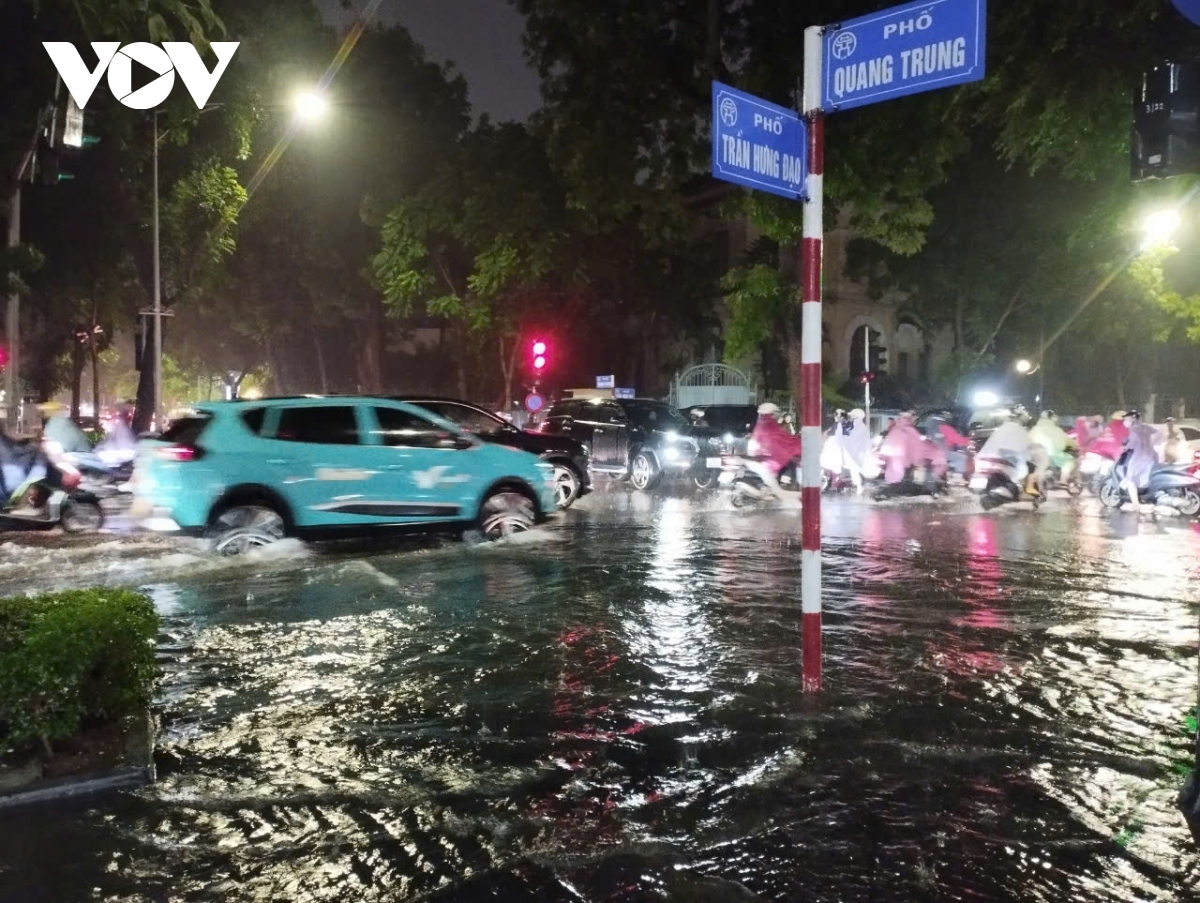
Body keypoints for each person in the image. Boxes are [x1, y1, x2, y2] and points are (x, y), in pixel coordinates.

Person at [749, 402, 801, 501]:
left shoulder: (760, 424)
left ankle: (780, 485)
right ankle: (785, 483)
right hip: (769, 457)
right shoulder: (771, 425)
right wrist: (797, 442)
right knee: (789, 462)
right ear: (772, 414)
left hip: (761, 456)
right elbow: (784, 438)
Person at [1120, 410, 1159, 511]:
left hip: (1139, 458)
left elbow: (1132, 443)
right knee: (1145, 480)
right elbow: (1157, 435)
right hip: (1150, 457)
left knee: (1131, 481)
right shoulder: (1145, 427)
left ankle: (1135, 504)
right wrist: (1152, 445)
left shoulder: (1134, 429)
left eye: (1126, 419)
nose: (1125, 421)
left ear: (1132, 419)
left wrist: (1125, 448)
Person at [878, 411, 927, 485]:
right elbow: (917, 437)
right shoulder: (908, 427)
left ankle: (891, 483)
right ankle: (895, 484)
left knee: (893, 468)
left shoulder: (896, 426)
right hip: (900, 451)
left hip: (892, 451)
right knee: (898, 469)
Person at [844, 409, 873, 491]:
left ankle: (858, 485)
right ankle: (856, 484)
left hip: (855, 450)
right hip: (859, 450)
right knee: (854, 467)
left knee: (854, 467)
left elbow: (850, 437)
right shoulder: (861, 426)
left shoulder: (855, 425)